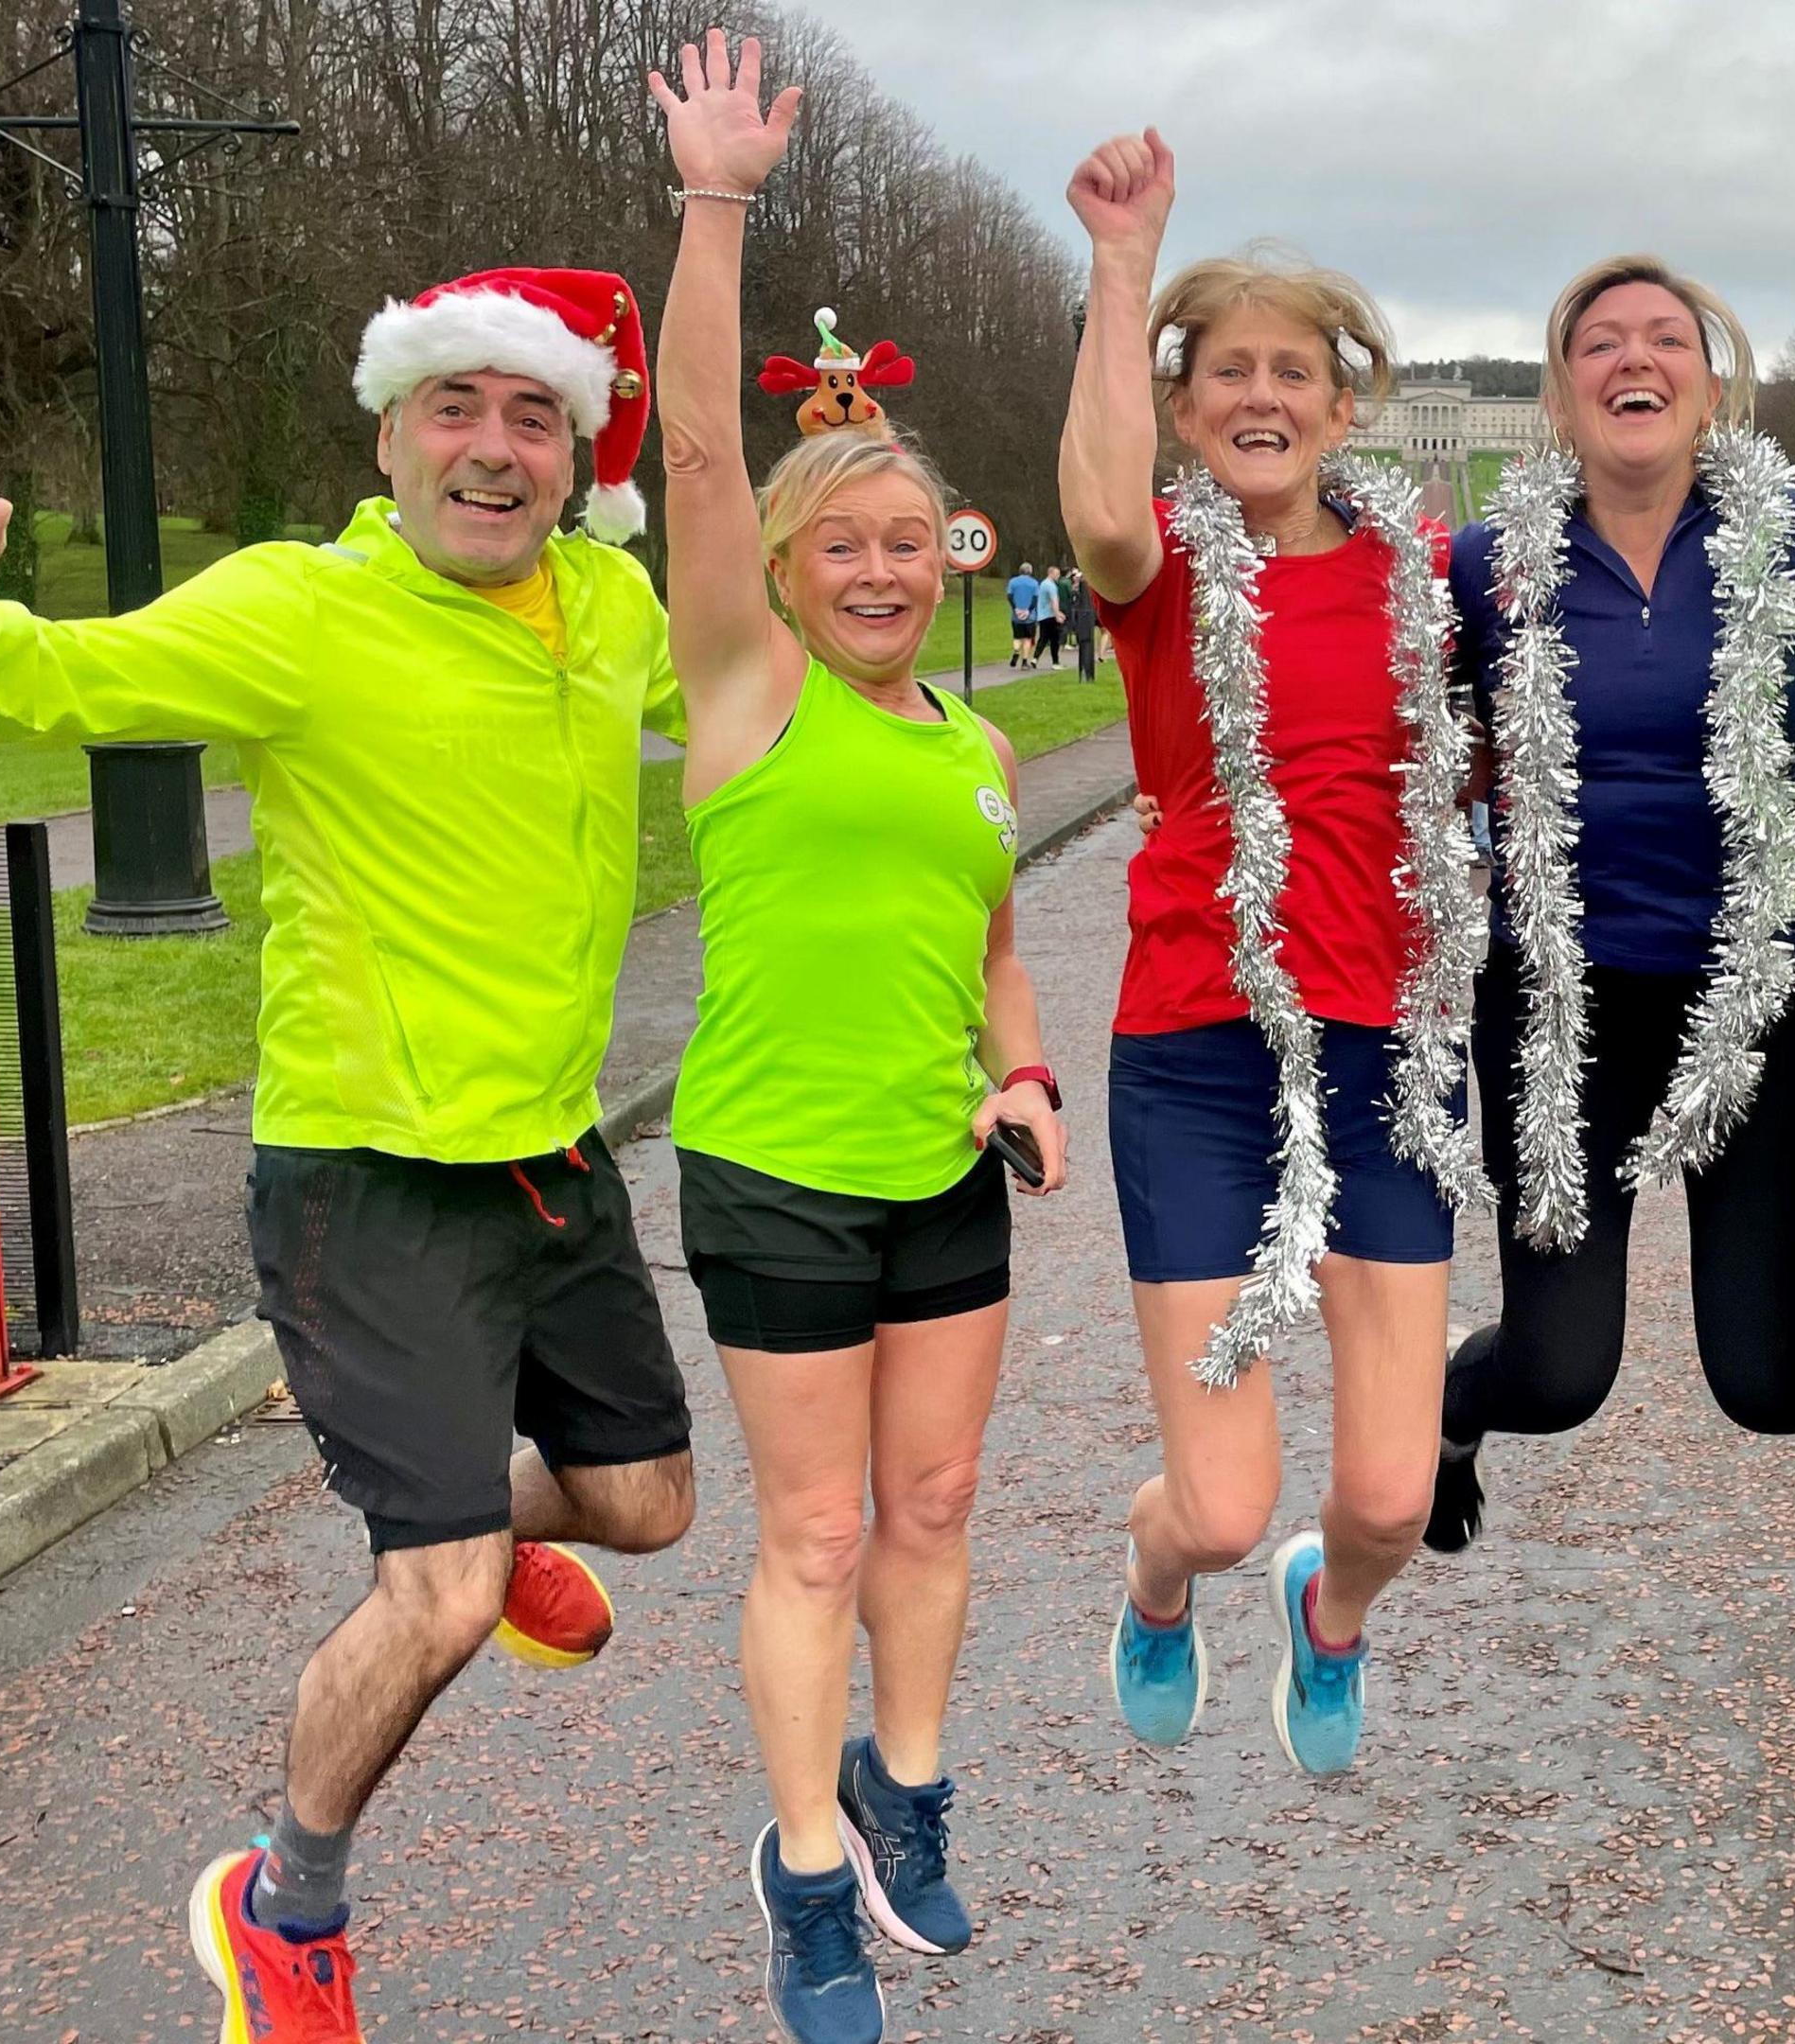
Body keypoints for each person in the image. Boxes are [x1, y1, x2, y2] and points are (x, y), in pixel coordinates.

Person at [0, 260, 696, 2037]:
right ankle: (284, 1905)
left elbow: (726, 680)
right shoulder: (303, 608)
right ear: (390, 433)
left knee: (653, 1507)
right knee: (424, 1606)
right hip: (365, 1174)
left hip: (552, 1160)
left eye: (533, 418)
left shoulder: (610, 609)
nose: (492, 452)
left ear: (580, 458)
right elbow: (79, 681)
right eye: (456, 408)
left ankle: (491, 1542)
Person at [651, 38, 1066, 2044]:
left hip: (939, 1169)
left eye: (912, 545)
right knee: (813, 1528)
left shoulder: (979, 746)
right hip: (772, 1171)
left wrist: (1025, 1073)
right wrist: (715, 204)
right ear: (794, 578)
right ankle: (805, 1865)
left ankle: (913, 1792)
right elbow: (698, 472)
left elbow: (990, 948)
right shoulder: (746, 693)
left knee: (938, 1508)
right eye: (848, 550)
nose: (886, 572)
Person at [1063, 129, 1481, 1777]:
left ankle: (1337, 1617)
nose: (1259, 395)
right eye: (1225, 371)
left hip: (1382, 1046)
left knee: (1384, 1494)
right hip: (1198, 1045)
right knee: (1224, 1506)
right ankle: (1157, 1583)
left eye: (1289, 371)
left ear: (1340, 402)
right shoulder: (1165, 570)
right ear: (1185, 408)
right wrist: (1124, 260)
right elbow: (1095, 509)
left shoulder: (1421, 579)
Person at [1421, 255, 1795, 1551]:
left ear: (1710, 385)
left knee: (1775, 1386)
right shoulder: (1486, 565)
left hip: (1757, 994)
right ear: (1559, 397)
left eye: (1666, 339)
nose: (1634, 361)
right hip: (1564, 1005)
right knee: (1558, 1378)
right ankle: (1455, 1403)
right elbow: (1414, 738)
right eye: (1600, 344)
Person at [1005, 560, 1043, 667]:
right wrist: (1028, 610)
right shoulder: (1034, 583)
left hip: (1016, 615)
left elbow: (1009, 596)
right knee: (1027, 639)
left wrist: (1015, 608)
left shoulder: (1013, 582)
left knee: (1017, 637)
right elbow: (1035, 599)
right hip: (1030, 616)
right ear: (1030, 571)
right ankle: (1025, 661)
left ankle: (1016, 651)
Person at [1031, 561, 1066, 664]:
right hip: (1050, 616)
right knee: (1054, 640)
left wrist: (1058, 613)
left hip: (1042, 616)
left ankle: (1035, 658)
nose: (1058, 576)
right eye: (1057, 574)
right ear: (1050, 573)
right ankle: (1055, 662)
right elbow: (1054, 601)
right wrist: (1057, 615)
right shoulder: (1051, 586)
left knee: (1043, 639)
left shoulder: (1043, 584)